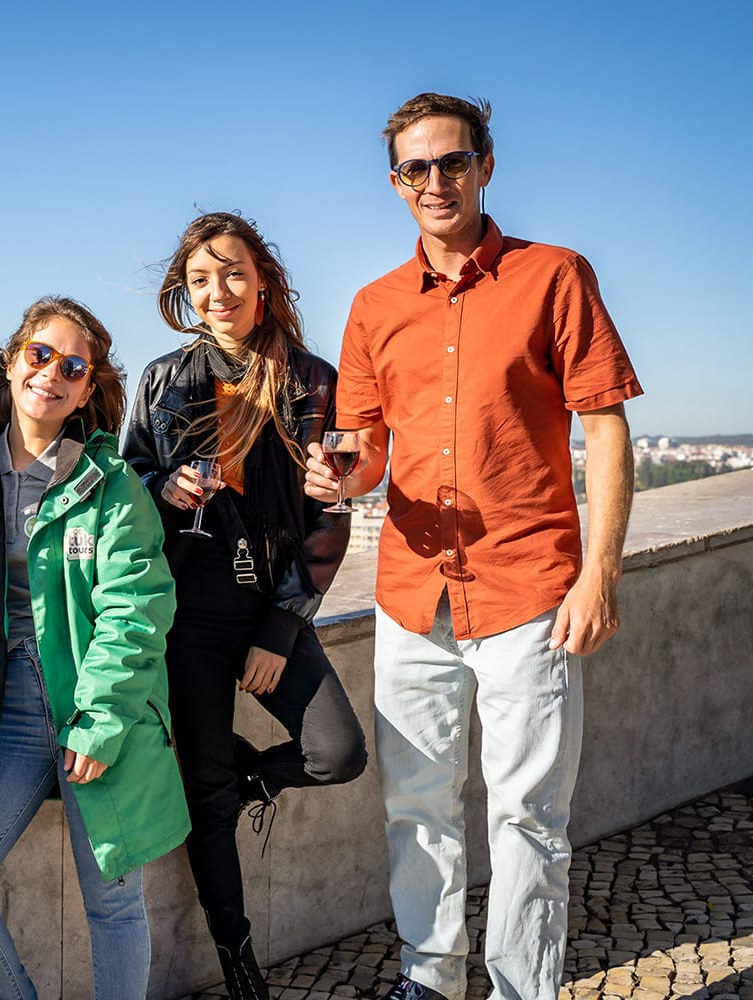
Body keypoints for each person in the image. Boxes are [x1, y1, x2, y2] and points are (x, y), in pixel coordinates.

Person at [304, 93, 642, 1000]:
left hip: (531, 591)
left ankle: (522, 989)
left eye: (452, 162)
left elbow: (603, 430)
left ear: (486, 167)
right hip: (413, 594)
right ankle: (432, 979)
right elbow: (367, 447)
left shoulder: (556, 275)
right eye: (416, 168)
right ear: (395, 184)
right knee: (416, 807)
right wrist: (342, 475)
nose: (436, 181)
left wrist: (598, 573)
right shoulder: (374, 306)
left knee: (528, 815)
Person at [123, 212, 368, 1000]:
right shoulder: (162, 379)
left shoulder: (313, 380)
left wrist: (277, 626)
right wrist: (161, 488)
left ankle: (248, 778)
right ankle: (238, 961)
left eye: (231, 273)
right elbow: (129, 484)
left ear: (263, 281)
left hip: (270, 609)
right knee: (205, 797)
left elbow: (329, 514)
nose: (216, 291)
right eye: (199, 279)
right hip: (186, 616)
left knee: (337, 752)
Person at [0, 297, 189, 999]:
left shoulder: (111, 486)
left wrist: (100, 722)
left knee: (115, 902)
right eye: (39, 355)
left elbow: (136, 610)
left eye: (74, 366)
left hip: (95, 703)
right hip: (2, 706)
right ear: (11, 362)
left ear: (88, 389)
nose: (52, 374)